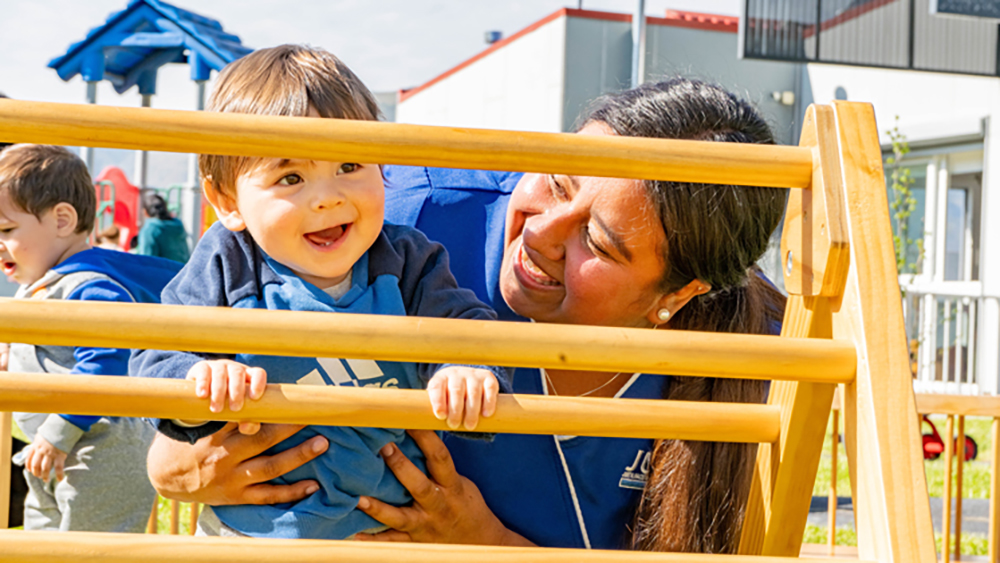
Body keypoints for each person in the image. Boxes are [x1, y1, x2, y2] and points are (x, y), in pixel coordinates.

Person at [143, 78, 787, 553]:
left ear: (676, 294)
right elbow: (178, 426)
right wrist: (181, 465)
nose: (540, 231)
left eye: (597, 242)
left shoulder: (743, 354)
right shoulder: (403, 227)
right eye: (558, 182)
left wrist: (487, 543)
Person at [129, 45, 509, 541]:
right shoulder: (228, 262)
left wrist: (466, 369)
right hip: (251, 537)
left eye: (350, 164)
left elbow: (465, 324)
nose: (328, 196)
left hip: (385, 534)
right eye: (291, 176)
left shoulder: (407, 259)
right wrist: (199, 375)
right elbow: (155, 353)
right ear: (227, 202)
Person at [0, 144, 182, 532]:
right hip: (51, 450)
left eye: (6, 230)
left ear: (62, 220)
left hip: (100, 450)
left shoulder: (91, 286)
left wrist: (57, 434)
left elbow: (104, 361)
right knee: (42, 544)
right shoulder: (39, 284)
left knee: (92, 546)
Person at [135, 192, 190, 263]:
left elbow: (146, 263)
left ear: (145, 212)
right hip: (184, 272)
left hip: (163, 273)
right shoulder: (179, 226)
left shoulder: (149, 230)